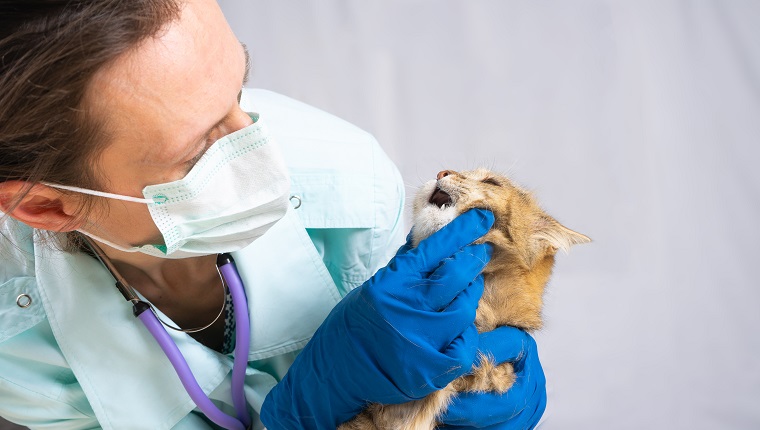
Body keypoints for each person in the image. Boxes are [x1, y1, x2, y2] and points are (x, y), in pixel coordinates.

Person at [0, 0, 546, 428]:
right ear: (50, 206)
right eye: (197, 149)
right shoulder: (15, 346)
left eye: (237, 88)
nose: (263, 147)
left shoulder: (347, 177)